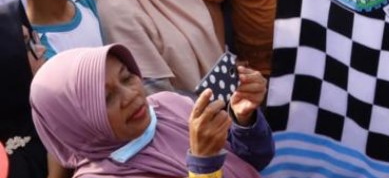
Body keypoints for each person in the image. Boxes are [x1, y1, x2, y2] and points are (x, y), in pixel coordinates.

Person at [29, 44, 273, 178]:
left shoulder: (167, 104)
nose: (130, 95)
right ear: (76, 122)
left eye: (127, 77)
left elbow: (256, 159)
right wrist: (204, 164)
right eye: (106, 98)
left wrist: (243, 120)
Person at [0, 0, 49, 178]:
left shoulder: (55, 115)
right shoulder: (13, 167)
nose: (42, 49)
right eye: (27, 45)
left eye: (34, 39)